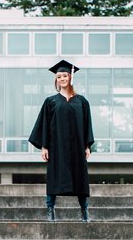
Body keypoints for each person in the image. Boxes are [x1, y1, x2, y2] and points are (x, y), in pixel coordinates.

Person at [28, 60, 95, 221]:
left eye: (65, 75)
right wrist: (44, 146)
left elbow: (87, 124)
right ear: (56, 80)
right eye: (59, 76)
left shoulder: (82, 101)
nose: (62, 78)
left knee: (80, 177)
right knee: (53, 177)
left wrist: (87, 146)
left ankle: (84, 211)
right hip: (56, 146)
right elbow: (44, 124)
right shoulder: (51, 101)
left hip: (77, 146)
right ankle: (50, 210)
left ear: (70, 77)